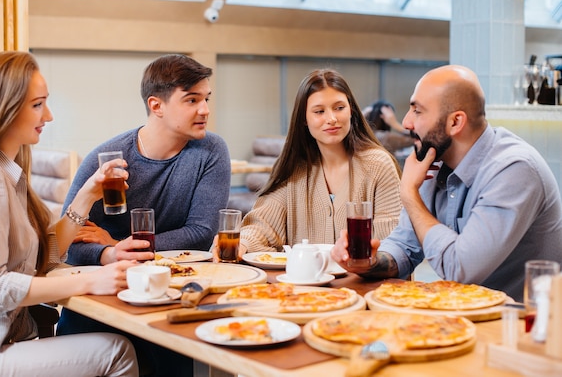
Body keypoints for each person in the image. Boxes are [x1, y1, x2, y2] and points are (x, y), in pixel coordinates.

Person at [0, 51, 138, 376]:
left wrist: (86, 196)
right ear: (4, 108)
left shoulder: (7, 172)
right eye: (37, 104)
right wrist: (89, 281)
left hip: (0, 342)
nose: (49, 115)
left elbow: (42, 258)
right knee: (116, 351)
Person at [58, 53, 230, 376]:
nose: (205, 110)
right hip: (103, 303)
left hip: (170, 300)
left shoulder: (211, 151)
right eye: (192, 100)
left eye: (206, 99)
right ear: (156, 105)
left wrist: (118, 243)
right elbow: (70, 243)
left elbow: (201, 232)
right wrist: (109, 253)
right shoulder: (107, 158)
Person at [332, 64, 562, 302]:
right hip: (461, 314)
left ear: (455, 122)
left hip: (521, 325)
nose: (406, 122)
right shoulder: (435, 160)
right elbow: (404, 247)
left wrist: (410, 194)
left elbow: (460, 269)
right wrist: (367, 262)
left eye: (417, 111)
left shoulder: (514, 170)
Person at [213, 68, 402, 258]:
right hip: (304, 285)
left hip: (365, 284)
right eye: (319, 111)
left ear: (351, 110)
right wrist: (242, 243)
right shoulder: (295, 167)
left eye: (339, 108)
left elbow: (392, 243)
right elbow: (263, 225)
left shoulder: (378, 165)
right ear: (304, 119)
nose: (332, 119)